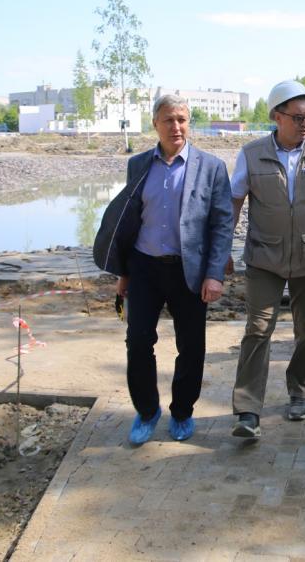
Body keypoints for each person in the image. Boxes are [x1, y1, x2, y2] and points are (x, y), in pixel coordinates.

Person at [93, 94, 233, 444]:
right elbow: (130, 222)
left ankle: (182, 411)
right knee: (138, 341)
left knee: (192, 346)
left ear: (189, 123)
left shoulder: (212, 167)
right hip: (144, 267)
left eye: (182, 119)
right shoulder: (138, 164)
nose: (176, 127)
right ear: (155, 124)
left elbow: (221, 225)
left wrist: (214, 274)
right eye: (169, 120)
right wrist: (124, 274)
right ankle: (146, 411)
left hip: (189, 270)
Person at [230, 80, 305, 439]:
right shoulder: (251, 154)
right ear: (277, 116)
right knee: (257, 330)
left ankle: (299, 393)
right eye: (298, 118)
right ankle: (248, 410)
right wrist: (222, 248)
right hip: (264, 258)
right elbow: (234, 202)